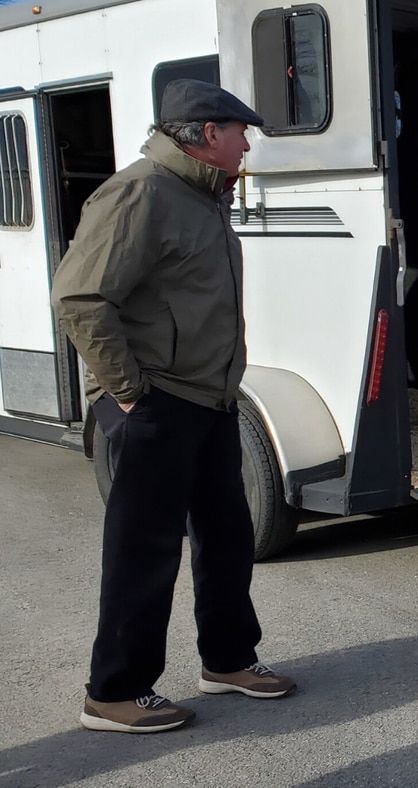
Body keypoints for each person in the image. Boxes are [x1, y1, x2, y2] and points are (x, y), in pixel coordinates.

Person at [52, 79, 295, 734]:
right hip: (156, 399)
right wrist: (129, 390)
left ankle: (228, 661)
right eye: (241, 133)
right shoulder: (140, 192)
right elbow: (79, 298)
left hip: (209, 398)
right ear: (208, 133)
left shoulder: (204, 195)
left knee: (228, 536)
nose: (247, 145)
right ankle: (114, 692)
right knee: (145, 548)